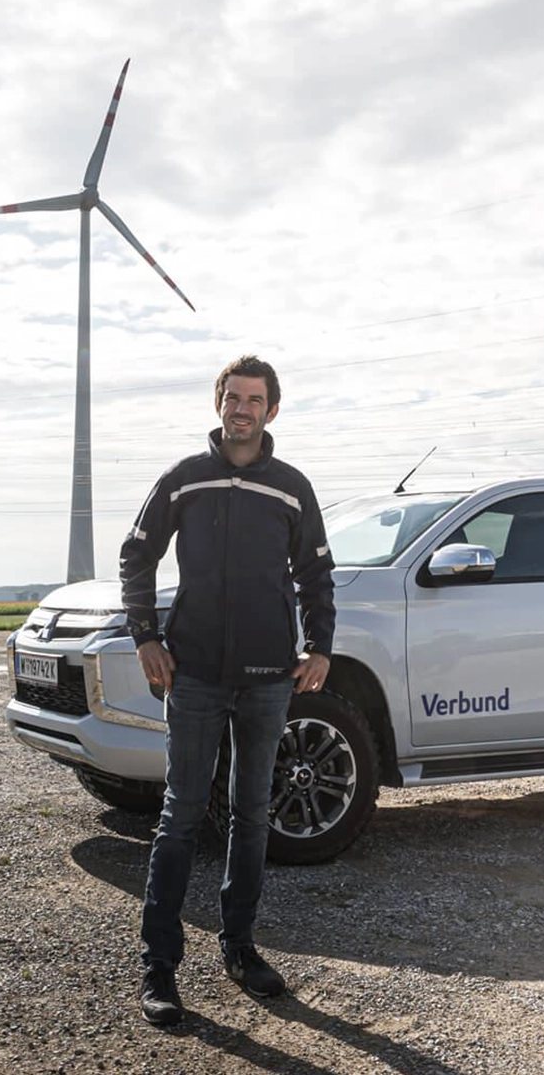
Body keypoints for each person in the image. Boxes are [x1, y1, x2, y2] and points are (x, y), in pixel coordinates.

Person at [119, 355, 335, 1025]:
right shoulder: (184, 481)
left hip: (270, 678)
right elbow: (137, 554)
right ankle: (160, 968)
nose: (241, 410)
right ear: (218, 403)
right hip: (196, 675)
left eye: (254, 400)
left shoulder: (292, 488)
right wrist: (147, 637)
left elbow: (317, 574)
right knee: (180, 815)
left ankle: (240, 949)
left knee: (249, 816)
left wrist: (320, 644)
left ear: (272, 411)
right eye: (232, 398)